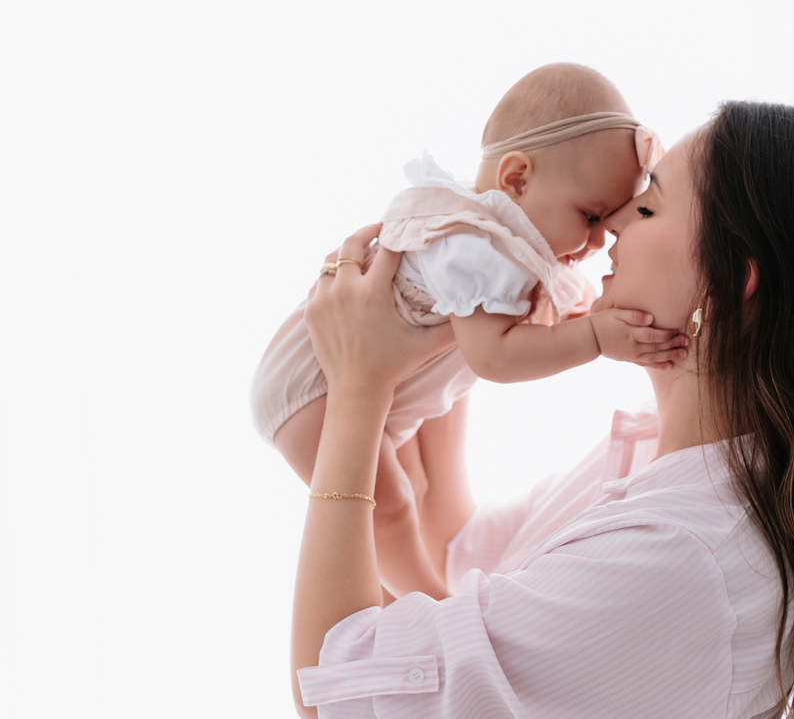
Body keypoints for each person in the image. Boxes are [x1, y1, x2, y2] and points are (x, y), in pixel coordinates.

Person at [290, 102, 794, 719]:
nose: (611, 225)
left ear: (727, 280)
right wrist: (460, 293)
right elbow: (460, 548)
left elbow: (335, 692)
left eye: (648, 206)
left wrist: (358, 389)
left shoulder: (677, 558)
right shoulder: (656, 453)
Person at [252, 63, 687, 598]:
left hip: (355, 384)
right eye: (592, 216)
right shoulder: (478, 248)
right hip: (311, 388)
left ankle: (394, 604)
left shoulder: (507, 240)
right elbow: (494, 358)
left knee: (412, 491)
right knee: (392, 507)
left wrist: (576, 317)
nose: (602, 240)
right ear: (517, 179)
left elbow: (529, 319)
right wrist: (595, 338)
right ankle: (432, 603)